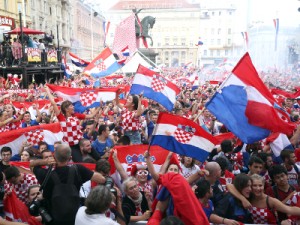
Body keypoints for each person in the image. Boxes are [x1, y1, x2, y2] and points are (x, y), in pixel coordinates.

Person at [31, 144, 106, 225]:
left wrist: (44, 161)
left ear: (54, 158)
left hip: (53, 220)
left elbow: (31, 164)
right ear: (70, 158)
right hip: (75, 219)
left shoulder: (45, 174)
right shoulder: (78, 169)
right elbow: (102, 179)